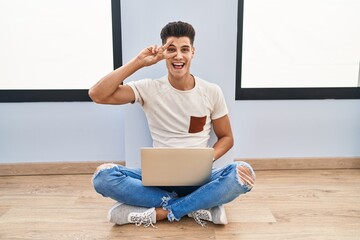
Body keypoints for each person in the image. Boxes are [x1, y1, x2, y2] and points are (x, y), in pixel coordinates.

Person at [89, 21, 256, 227]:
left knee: (243, 172)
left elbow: (227, 137)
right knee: (103, 177)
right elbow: (97, 94)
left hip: (199, 179)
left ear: (192, 53)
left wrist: (207, 159)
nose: (178, 56)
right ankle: (199, 206)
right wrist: (140, 62)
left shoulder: (211, 91)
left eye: (184, 49)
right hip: (159, 179)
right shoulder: (148, 88)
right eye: (171, 49)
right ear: (163, 54)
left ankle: (161, 211)